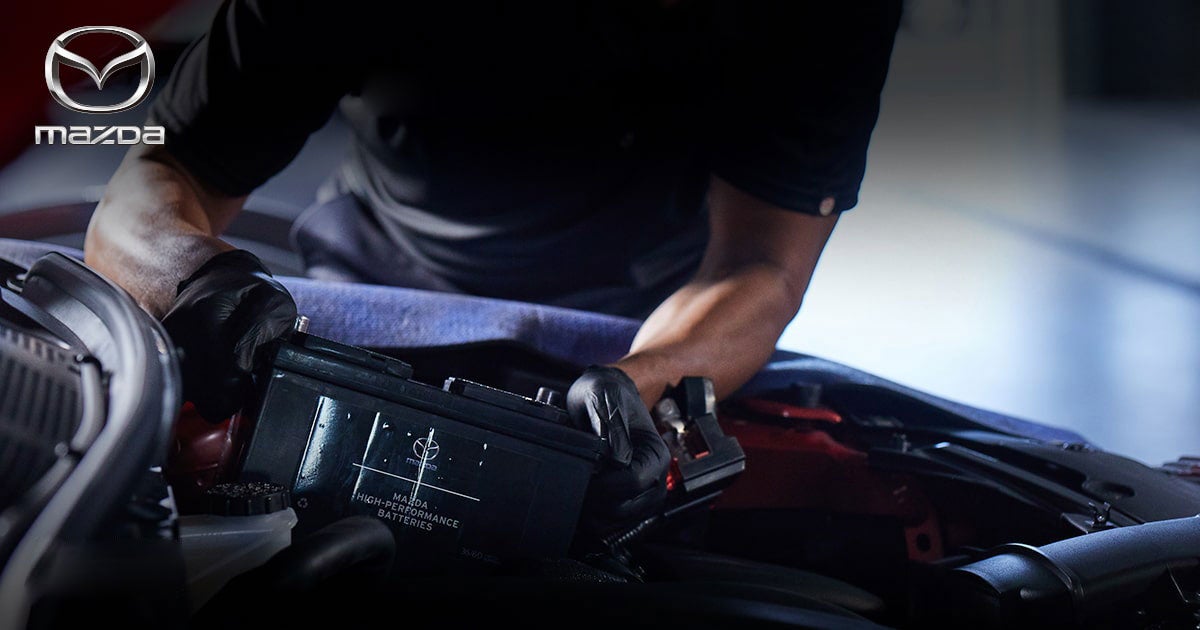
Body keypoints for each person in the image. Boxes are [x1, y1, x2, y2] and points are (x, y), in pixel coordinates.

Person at [85, 1, 901, 526]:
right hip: (366, 298)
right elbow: (161, 182)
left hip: (638, 331)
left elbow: (761, 264)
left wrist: (647, 378)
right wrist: (192, 279)